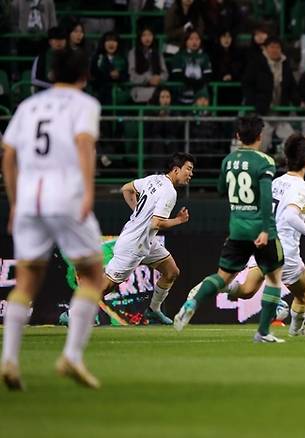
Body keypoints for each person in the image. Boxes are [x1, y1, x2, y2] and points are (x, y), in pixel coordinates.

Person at [1, 48, 104, 389]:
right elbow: (85, 144)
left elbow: (8, 154)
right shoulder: (85, 105)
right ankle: (72, 356)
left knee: (26, 281)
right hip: (67, 197)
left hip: (30, 199)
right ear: (85, 76)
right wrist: (88, 192)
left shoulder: (28, 106)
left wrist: (15, 203)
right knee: (92, 275)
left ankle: (10, 361)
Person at [173, 116, 286, 343]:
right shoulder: (265, 161)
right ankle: (263, 332)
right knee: (274, 277)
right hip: (260, 229)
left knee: (223, 276)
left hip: (236, 229)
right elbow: (266, 198)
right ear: (259, 136)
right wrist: (265, 229)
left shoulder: (228, 160)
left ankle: (192, 303)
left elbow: (220, 189)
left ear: (237, 136)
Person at [221, 134, 305, 337]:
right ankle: (297, 331)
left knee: (247, 290)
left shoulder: (276, 181)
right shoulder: (302, 187)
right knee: (304, 294)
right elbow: (290, 216)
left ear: (286, 159)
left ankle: (218, 285)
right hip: (285, 250)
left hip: (262, 243)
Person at [101, 152, 194, 325]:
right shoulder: (169, 192)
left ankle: (153, 310)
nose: (191, 173)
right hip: (133, 244)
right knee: (106, 286)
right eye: (188, 169)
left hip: (146, 242)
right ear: (176, 169)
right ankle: (73, 312)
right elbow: (156, 224)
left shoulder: (153, 179)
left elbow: (126, 188)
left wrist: (138, 213)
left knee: (171, 272)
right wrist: (178, 220)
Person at [242, 36, 299, 151]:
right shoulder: (257, 63)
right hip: (263, 111)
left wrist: (298, 102)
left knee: (293, 141)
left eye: (277, 47)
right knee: (261, 143)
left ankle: (286, 165)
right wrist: (253, 102)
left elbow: (292, 87)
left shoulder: (285, 64)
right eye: (272, 47)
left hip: (281, 112)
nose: (275, 50)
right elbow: (247, 84)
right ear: (265, 48)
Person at [170, 28, 213, 104]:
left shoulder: (204, 56)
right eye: (191, 39)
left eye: (197, 39)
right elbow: (177, 74)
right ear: (186, 41)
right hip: (182, 88)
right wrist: (191, 82)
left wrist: (198, 83)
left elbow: (208, 74)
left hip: (199, 89)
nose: (194, 42)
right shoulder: (179, 55)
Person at [128, 26, 169, 104]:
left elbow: (165, 73)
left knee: (164, 95)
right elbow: (132, 76)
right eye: (144, 35)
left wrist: (159, 78)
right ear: (140, 37)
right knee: (160, 95)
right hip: (139, 88)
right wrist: (147, 79)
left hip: (157, 87)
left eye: (150, 35)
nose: (147, 38)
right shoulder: (133, 53)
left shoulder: (157, 52)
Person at [91, 31, 128, 105]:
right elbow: (95, 73)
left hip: (120, 94)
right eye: (108, 40)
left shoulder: (123, 58)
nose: (111, 44)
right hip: (101, 94)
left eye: (114, 41)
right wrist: (109, 75)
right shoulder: (97, 57)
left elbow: (126, 75)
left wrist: (119, 75)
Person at [31, 25, 67, 91]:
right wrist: (53, 86)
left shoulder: (73, 57)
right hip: (46, 93)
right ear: (50, 42)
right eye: (55, 39)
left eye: (62, 39)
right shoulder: (41, 58)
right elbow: (34, 80)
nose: (59, 42)